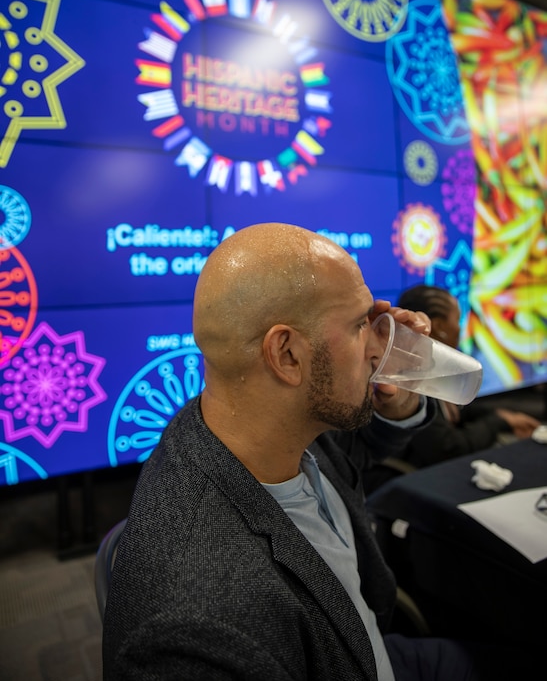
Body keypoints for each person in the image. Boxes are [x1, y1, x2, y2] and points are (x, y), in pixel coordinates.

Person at [102, 224, 531, 680]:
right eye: (359, 326)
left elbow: (353, 450)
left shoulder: (255, 423)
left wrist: (401, 388)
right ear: (286, 354)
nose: (377, 346)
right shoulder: (201, 623)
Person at [387, 284, 540, 469]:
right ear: (439, 326)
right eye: (458, 320)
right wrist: (497, 422)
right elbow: (449, 448)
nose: (461, 329)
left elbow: (457, 412)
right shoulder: (408, 380)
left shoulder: (430, 368)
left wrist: (503, 417)